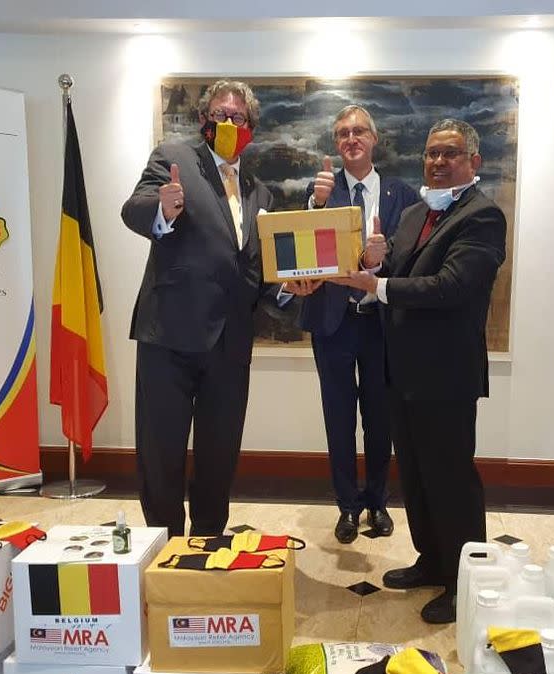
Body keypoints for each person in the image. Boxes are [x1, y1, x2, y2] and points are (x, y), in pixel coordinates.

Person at [330, 118, 506, 624]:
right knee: (417, 478)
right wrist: (378, 265)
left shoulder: (483, 216)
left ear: (473, 161)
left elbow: (451, 286)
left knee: (451, 481)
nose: (438, 162)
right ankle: (432, 561)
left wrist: (376, 286)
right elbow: (396, 275)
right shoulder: (413, 214)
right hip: (400, 373)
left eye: (450, 153)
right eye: (431, 153)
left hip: (446, 376)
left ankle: (463, 583)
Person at [121, 80, 273, 537]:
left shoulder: (259, 190)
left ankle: (208, 540)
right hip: (169, 334)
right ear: (205, 118)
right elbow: (134, 209)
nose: (228, 123)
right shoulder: (174, 158)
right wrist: (162, 210)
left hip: (230, 344)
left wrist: (289, 291)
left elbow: (255, 268)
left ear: (251, 126)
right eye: (220, 115)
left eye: (238, 117)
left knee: (219, 452)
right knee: (161, 449)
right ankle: (164, 544)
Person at [301, 105, 419, 544]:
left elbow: (412, 260)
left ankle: (378, 503)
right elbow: (303, 253)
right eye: (342, 133)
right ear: (337, 143)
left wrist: (382, 259)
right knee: (338, 418)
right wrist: (315, 205)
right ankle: (347, 508)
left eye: (359, 131)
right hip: (333, 321)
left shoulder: (402, 195)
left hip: (382, 324)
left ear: (374, 138)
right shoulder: (322, 193)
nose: (351, 138)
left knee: (380, 419)